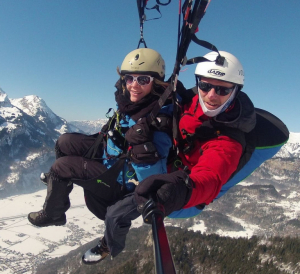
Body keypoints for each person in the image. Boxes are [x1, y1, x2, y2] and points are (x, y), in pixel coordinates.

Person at [86, 50, 259, 263]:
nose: (211, 95)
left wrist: (180, 190)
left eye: (222, 90)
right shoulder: (192, 102)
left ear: (235, 91)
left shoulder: (229, 140)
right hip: (167, 164)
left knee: (116, 213)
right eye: (205, 86)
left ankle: (108, 247)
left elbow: (210, 177)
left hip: (182, 193)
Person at [27, 48, 173, 262]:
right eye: (129, 78)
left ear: (157, 83)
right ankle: (59, 188)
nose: (134, 84)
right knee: (64, 142)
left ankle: (54, 214)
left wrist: (143, 149)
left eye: (143, 79)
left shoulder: (159, 121)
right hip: (110, 155)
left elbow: (154, 179)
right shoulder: (133, 102)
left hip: (122, 180)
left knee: (61, 167)